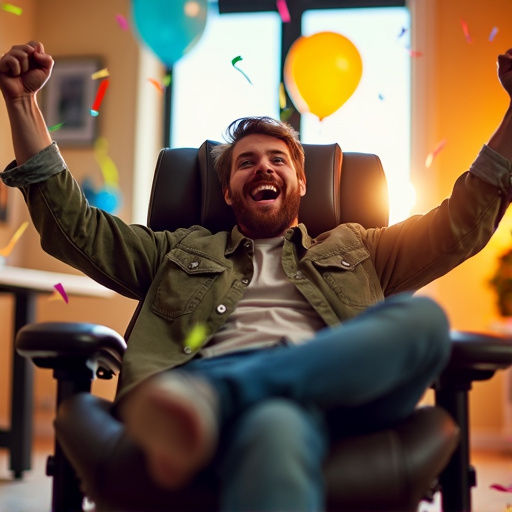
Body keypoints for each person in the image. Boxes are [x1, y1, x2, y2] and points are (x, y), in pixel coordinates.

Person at [1, 40, 512, 511]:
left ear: (300, 181)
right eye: (245, 163)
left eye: (278, 160)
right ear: (227, 192)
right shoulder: (176, 251)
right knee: (275, 424)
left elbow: (459, 227)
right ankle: (233, 396)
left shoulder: (360, 247)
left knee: (420, 318)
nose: (263, 169)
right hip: (233, 403)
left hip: (323, 398)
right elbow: (77, 229)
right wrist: (22, 105)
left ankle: (220, 394)